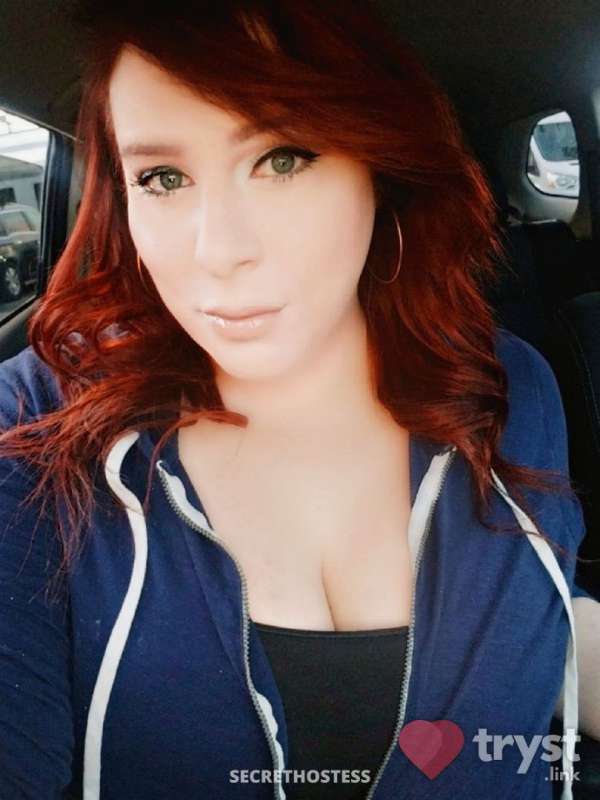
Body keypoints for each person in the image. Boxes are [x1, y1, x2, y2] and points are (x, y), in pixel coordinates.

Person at [0, 2, 598, 798]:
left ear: (380, 167)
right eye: (163, 178)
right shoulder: (35, 425)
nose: (219, 251)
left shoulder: (504, 386)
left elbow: (541, 602)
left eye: (283, 158)